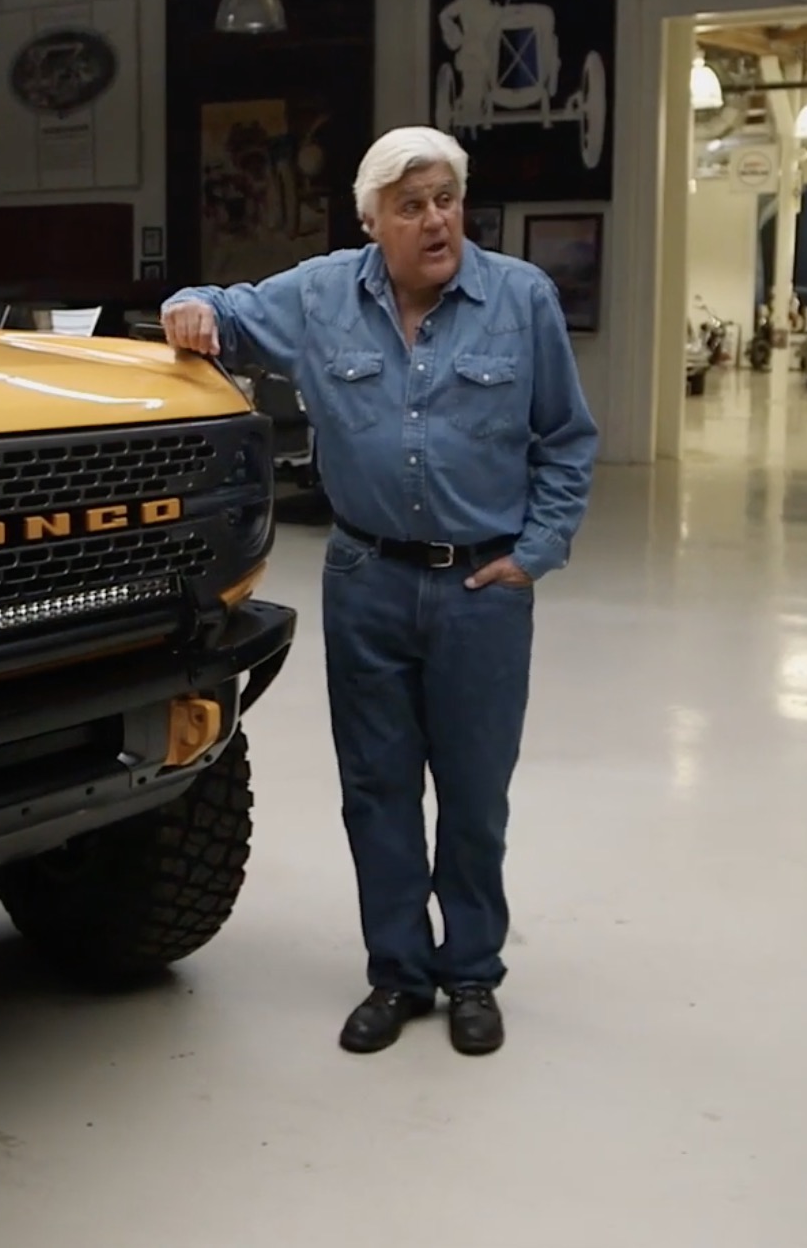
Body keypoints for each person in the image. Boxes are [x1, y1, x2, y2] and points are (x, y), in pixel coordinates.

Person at [158, 126, 597, 1057]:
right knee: (377, 789)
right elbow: (219, 310)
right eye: (411, 206)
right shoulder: (320, 296)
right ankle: (398, 972)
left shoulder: (521, 300)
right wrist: (187, 304)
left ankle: (472, 971)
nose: (435, 220)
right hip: (367, 580)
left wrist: (536, 551)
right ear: (372, 222)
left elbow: (565, 437)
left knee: (475, 794)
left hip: (481, 587)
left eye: (445, 198)